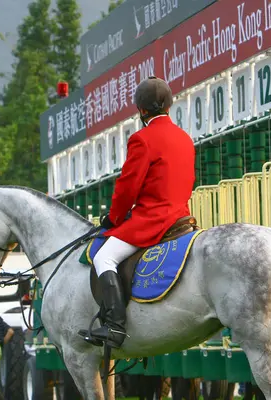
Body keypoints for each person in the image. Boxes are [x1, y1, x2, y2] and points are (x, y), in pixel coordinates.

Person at [79, 76, 196, 349]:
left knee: (104, 257)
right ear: (169, 105)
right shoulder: (185, 138)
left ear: (142, 110)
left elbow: (128, 187)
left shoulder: (142, 139)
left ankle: (115, 327)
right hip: (181, 217)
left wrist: (114, 218)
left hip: (153, 220)